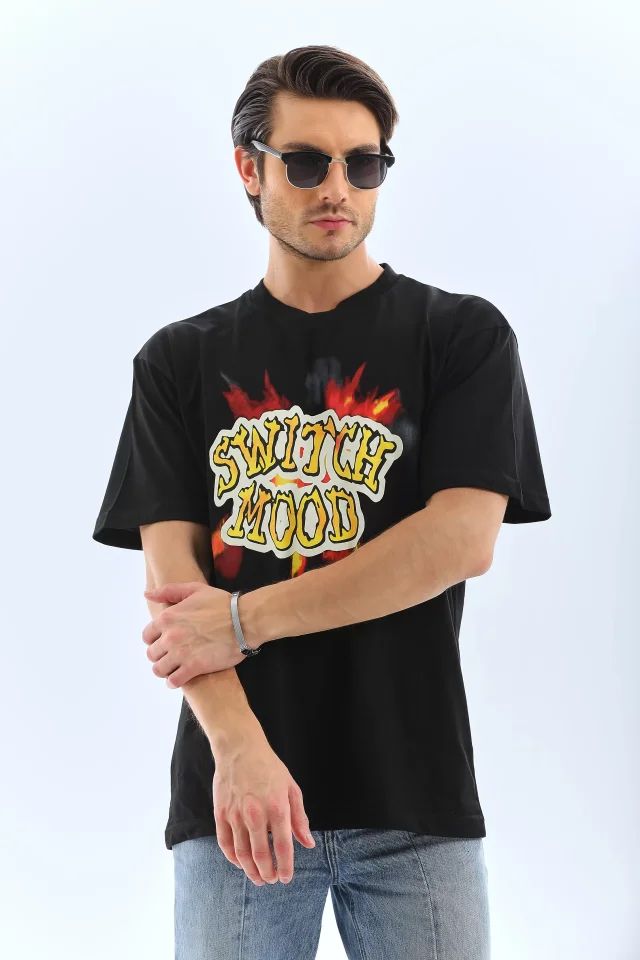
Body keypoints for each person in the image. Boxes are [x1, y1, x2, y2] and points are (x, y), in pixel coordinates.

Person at [92, 43, 552, 960]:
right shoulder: (178, 362)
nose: (337, 187)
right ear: (250, 169)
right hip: (238, 804)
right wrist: (239, 752)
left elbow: (459, 541)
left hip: (414, 799)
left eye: (363, 163)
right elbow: (177, 598)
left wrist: (245, 619)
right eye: (305, 163)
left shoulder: (461, 337)